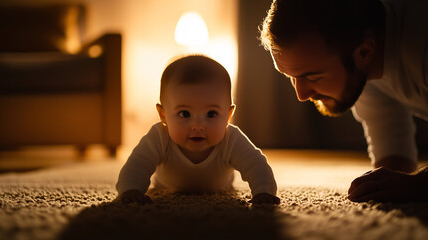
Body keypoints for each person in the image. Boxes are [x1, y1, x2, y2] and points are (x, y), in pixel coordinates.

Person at [259, 0, 428, 202]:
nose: (301, 95)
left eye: (313, 77)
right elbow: (394, 156)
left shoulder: (420, 43)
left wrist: (419, 184)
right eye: (290, 77)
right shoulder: (363, 69)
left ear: (365, 51)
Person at [116, 55, 280, 205]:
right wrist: (131, 190)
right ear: (163, 115)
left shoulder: (231, 138)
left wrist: (263, 191)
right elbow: (137, 164)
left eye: (211, 114)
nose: (198, 125)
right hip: (166, 186)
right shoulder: (159, 137)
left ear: (228, 116)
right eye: (184, 114)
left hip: (221, 187)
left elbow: (255, 164)